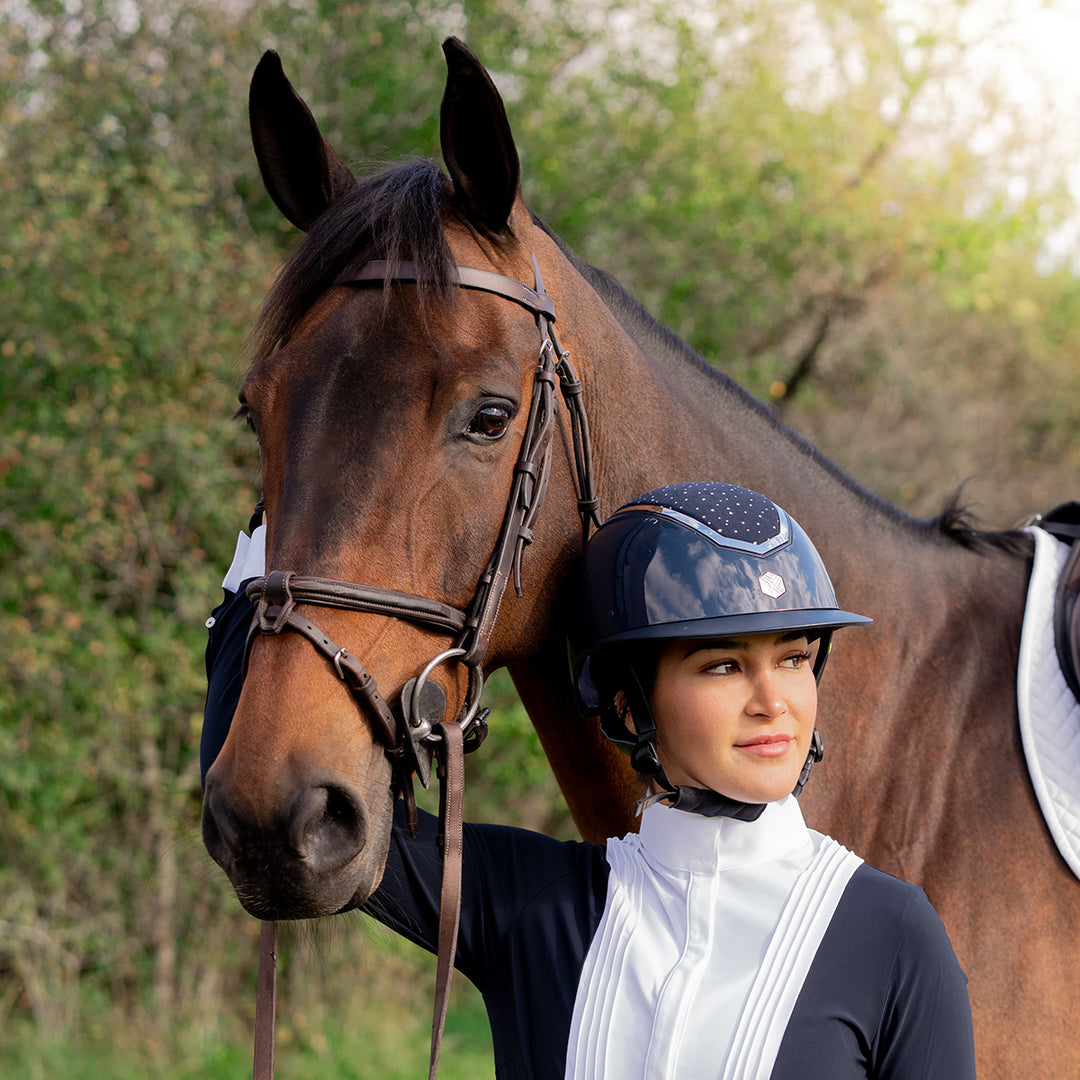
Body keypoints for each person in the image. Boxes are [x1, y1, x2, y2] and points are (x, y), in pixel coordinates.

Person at [202, 481, 976, 1079]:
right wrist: (292, 510)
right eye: (723, 665)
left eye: (796, 659)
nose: (774, 702)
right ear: (626, 701)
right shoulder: (530, 903)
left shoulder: (895, 935)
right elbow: (271, 799)